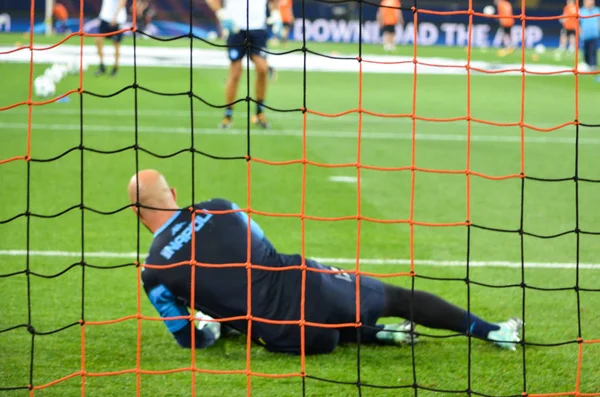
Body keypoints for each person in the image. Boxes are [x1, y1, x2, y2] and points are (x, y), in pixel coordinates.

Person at [127, 169, 523, 355]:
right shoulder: (219, 208)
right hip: (311, 287)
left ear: (137, 214)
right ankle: (493, 333)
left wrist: (210, 328)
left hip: (289, 340)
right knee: (396, 297)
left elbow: (186, 338)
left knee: (249, 315)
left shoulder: (153, 272)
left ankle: (380, 335)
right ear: (173, 192)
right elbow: (262, 244)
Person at [206, 0, 275, 129]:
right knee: (235, 72)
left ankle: (259, 113)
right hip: (235, 28)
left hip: (258, 29)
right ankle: (228, 115)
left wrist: (276, 13)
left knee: (262, 69)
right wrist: (221, 13)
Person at [95, 0, 127, 77]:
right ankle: (102, 65)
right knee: (98, 40)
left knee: (116, 43)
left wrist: (115, 17)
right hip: (105, 18)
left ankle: (115, 68)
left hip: (117, 20)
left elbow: (122, 2)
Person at [580, 0, 600, 82]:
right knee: (585, 51)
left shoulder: (597, 10)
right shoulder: (581, 11)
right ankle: (587, 65)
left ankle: (593, 66)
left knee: (593, 50)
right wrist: (579, 31)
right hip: (585, 35)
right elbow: (577, 22)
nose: (591, 2)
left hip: (594, 34)